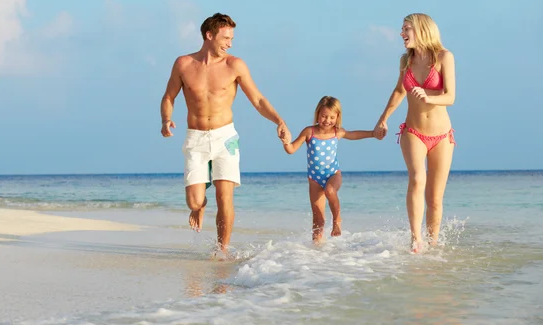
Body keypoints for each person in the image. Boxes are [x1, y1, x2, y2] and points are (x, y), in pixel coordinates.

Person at [160, 13, 290, 256]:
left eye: (231, 38)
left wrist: (279, 121)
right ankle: (199, 208)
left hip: (225, 138)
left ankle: (222, 250)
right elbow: (169, 96)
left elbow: (258, 99)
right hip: (196, 138)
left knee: (225, 197)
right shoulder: (183, 64)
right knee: (195, 201)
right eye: (226, 38)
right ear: (209, 36)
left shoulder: (235, 65)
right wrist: (166, 119)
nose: (230, 43)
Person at [373, 13, 456, 253]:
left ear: (421, 30)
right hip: (413, 132)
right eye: (402, 28)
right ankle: (416, 239)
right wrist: (383, 120)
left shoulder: (444, 57)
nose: (401, 33)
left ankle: (433, 242)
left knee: (435, 198)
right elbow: (399, 91)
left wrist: (428, 95)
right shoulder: (405, 61)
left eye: (406, 28)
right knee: (418, 179)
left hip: (442, 136)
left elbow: (451, 96)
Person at [282, 96, 375, 243]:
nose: (327, 120)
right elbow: (291, 149)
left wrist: (373, 134)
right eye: (324, 116)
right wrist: (285, 142)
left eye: (332, 117)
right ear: (317, 114)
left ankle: (337, 220)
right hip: (314, 179)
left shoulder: (337, 132)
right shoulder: (309, 132)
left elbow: (354, 134)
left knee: (330, 191)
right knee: (318, 220)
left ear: (337, 117)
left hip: (333, 174)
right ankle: (317, 251)